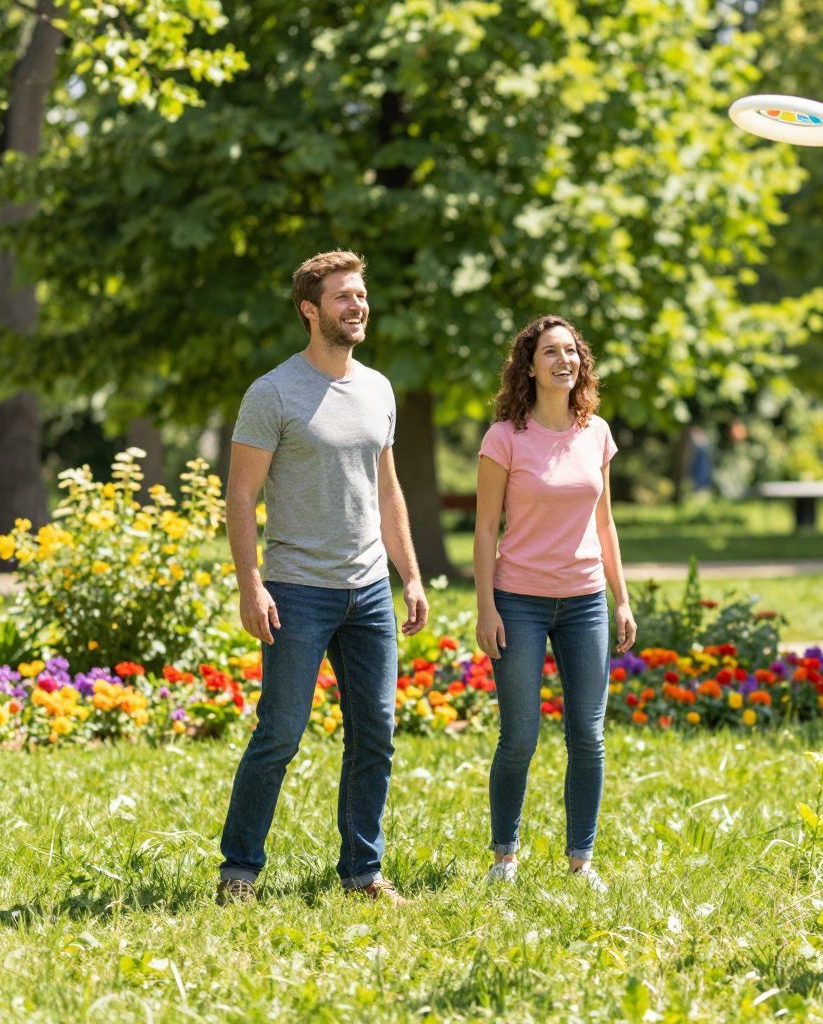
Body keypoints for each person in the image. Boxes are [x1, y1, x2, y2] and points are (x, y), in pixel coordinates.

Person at [217, 250, 428, 906]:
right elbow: (240, 497)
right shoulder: (273, 393)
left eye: (361, 295)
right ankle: (238, 872)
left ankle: (363, 872)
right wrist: (251, 584)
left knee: (377, 731)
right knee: (279, 732)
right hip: (296, 591)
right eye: (343, 297)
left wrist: (411, 578)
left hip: (367, 592)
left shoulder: (379, 389)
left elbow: (388, 493)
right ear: (311, 310)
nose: (357, 306)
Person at [473, 315, 636, 892]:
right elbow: (486, 529)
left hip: (586, 599)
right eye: (550, 352)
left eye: (572, 351)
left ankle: (581, 860)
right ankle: (504, 858)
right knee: (519, 736)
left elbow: (606, 522)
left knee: (587, 736)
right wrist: (486, 607)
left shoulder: (597, 433)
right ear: (530, 364)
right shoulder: (505, 437)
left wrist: (621, 599)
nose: (563, 360)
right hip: (519, 600)